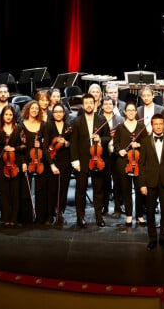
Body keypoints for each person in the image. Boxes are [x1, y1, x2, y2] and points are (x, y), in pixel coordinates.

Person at [69, 93, 111, 228]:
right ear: (83, 105)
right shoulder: (77, 121)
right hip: (81, 161)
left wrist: (100, 139)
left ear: (95, 104)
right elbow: (73, 142)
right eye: (86, 103)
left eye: (90, 103)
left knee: (98, 191)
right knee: (80, 191)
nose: (88, 105)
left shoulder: (101, 118)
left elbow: (108, 138)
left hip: (97, 160)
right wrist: (75, 160)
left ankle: (99, 217)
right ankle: (80, 217)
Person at [139, 113, 164, 250]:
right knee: (150, 212)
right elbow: (141, 164)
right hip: (150, 182)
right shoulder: (145, 141)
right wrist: (142, 184)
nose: (158, 126)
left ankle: (163, 238)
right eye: (156, 124)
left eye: (161, 124)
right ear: (152, 125)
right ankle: (152, 239)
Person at [113, 101, 148, 226]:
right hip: (124, 162)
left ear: (136, 112)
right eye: (129, 110)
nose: (131, 112)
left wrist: (139, 144)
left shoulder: (141, 127)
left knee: (139, 190)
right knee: (126, 190)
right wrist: (120, 151)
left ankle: (139, 215)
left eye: (133, 110)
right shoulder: (120, 127)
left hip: (138, 162)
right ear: (125, 112)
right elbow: (115, 144)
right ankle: (128, 214)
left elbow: (147, 144)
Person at [0, 105, 25, 228]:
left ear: (13, 116)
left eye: (10, 115)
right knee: (4, 192)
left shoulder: (18, 128)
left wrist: (13, 148)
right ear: (3, 116)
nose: (8, 117)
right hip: (2, 163)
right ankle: (6, 217)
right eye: (6, 114)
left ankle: (14, 218)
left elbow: (24, 145)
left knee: (15, 192)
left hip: (15, 163)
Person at [19, 100, 49, 225]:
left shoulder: (43, 125)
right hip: (26, 160)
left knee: (40, 190)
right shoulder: (21, 125)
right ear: (28, 110)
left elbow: (46, 144)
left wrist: (41, 144)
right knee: (26, 190)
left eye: (37, 109)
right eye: (32, 108)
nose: (35, 110)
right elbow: (19, 145)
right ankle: (26, 218)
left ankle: (40, 217)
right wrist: (23, 162)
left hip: (40, 161)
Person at [45, 102, 73, 226]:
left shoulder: (68, 126)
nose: (58, 114)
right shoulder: (48, 126)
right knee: (51, 189)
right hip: (52, 161)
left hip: (65, 161)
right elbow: (45, 146)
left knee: (63, 189)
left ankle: (60, 213)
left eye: (60, 112)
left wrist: (66, 143)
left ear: (64, 113)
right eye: (55, 112)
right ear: (53, 113)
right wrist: (51, 164)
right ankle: (50, 214)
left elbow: (72, 144)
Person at [100, 96, 125, 216]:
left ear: (114, 105)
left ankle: (118, 207)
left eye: (110, 104)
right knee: (105, 182)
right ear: (102, 106)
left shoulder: (120, 119)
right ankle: (104, 207)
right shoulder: (99, 120)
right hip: (103, 155)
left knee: (118, 182)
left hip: (116, 155)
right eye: (106, 104)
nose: (108, 106)